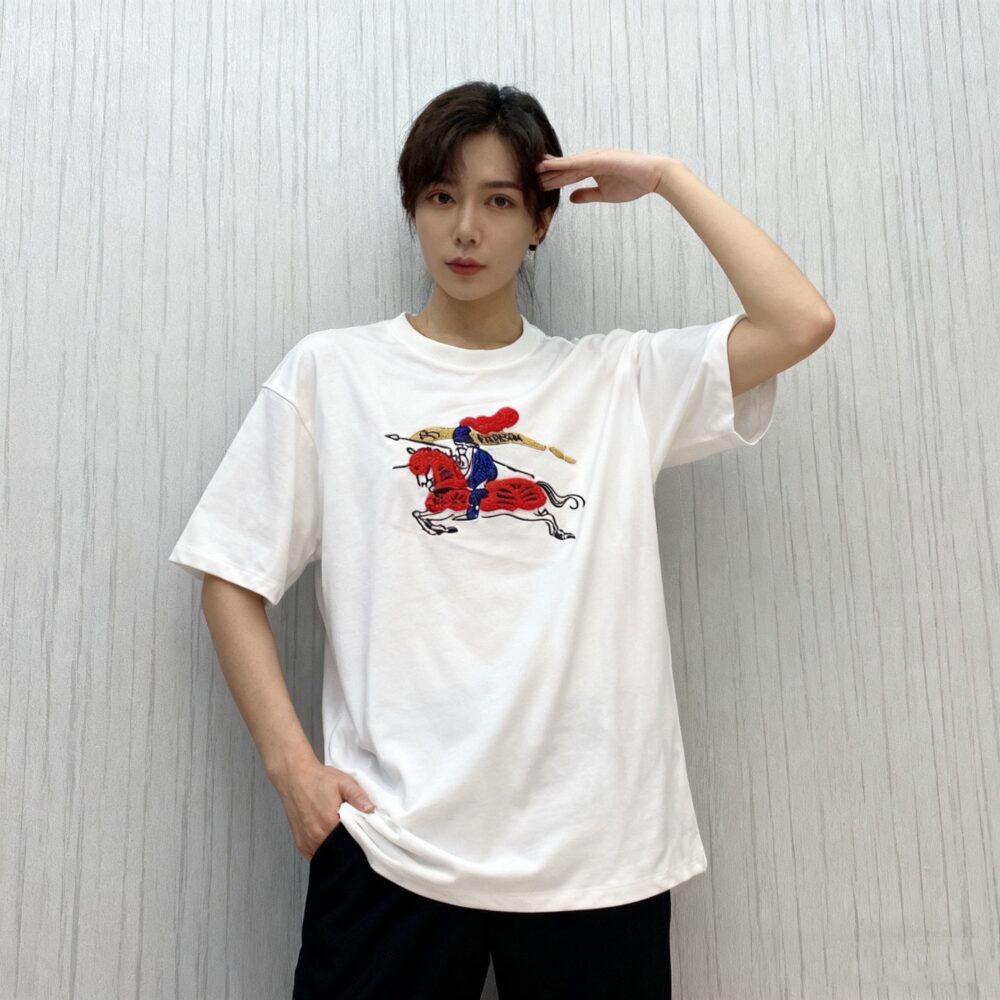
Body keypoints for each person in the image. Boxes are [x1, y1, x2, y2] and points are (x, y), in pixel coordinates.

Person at [168, 81, 834, 999]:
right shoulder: (335, 373)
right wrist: (294, 771)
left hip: (597, 855)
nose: (466, 230)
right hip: (393, 843)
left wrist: (669, 178)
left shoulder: (617, 383)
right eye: (442, 196)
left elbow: (800, 322)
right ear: (413, 208)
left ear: (540, 221)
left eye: (500, 201)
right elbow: (229, 574)